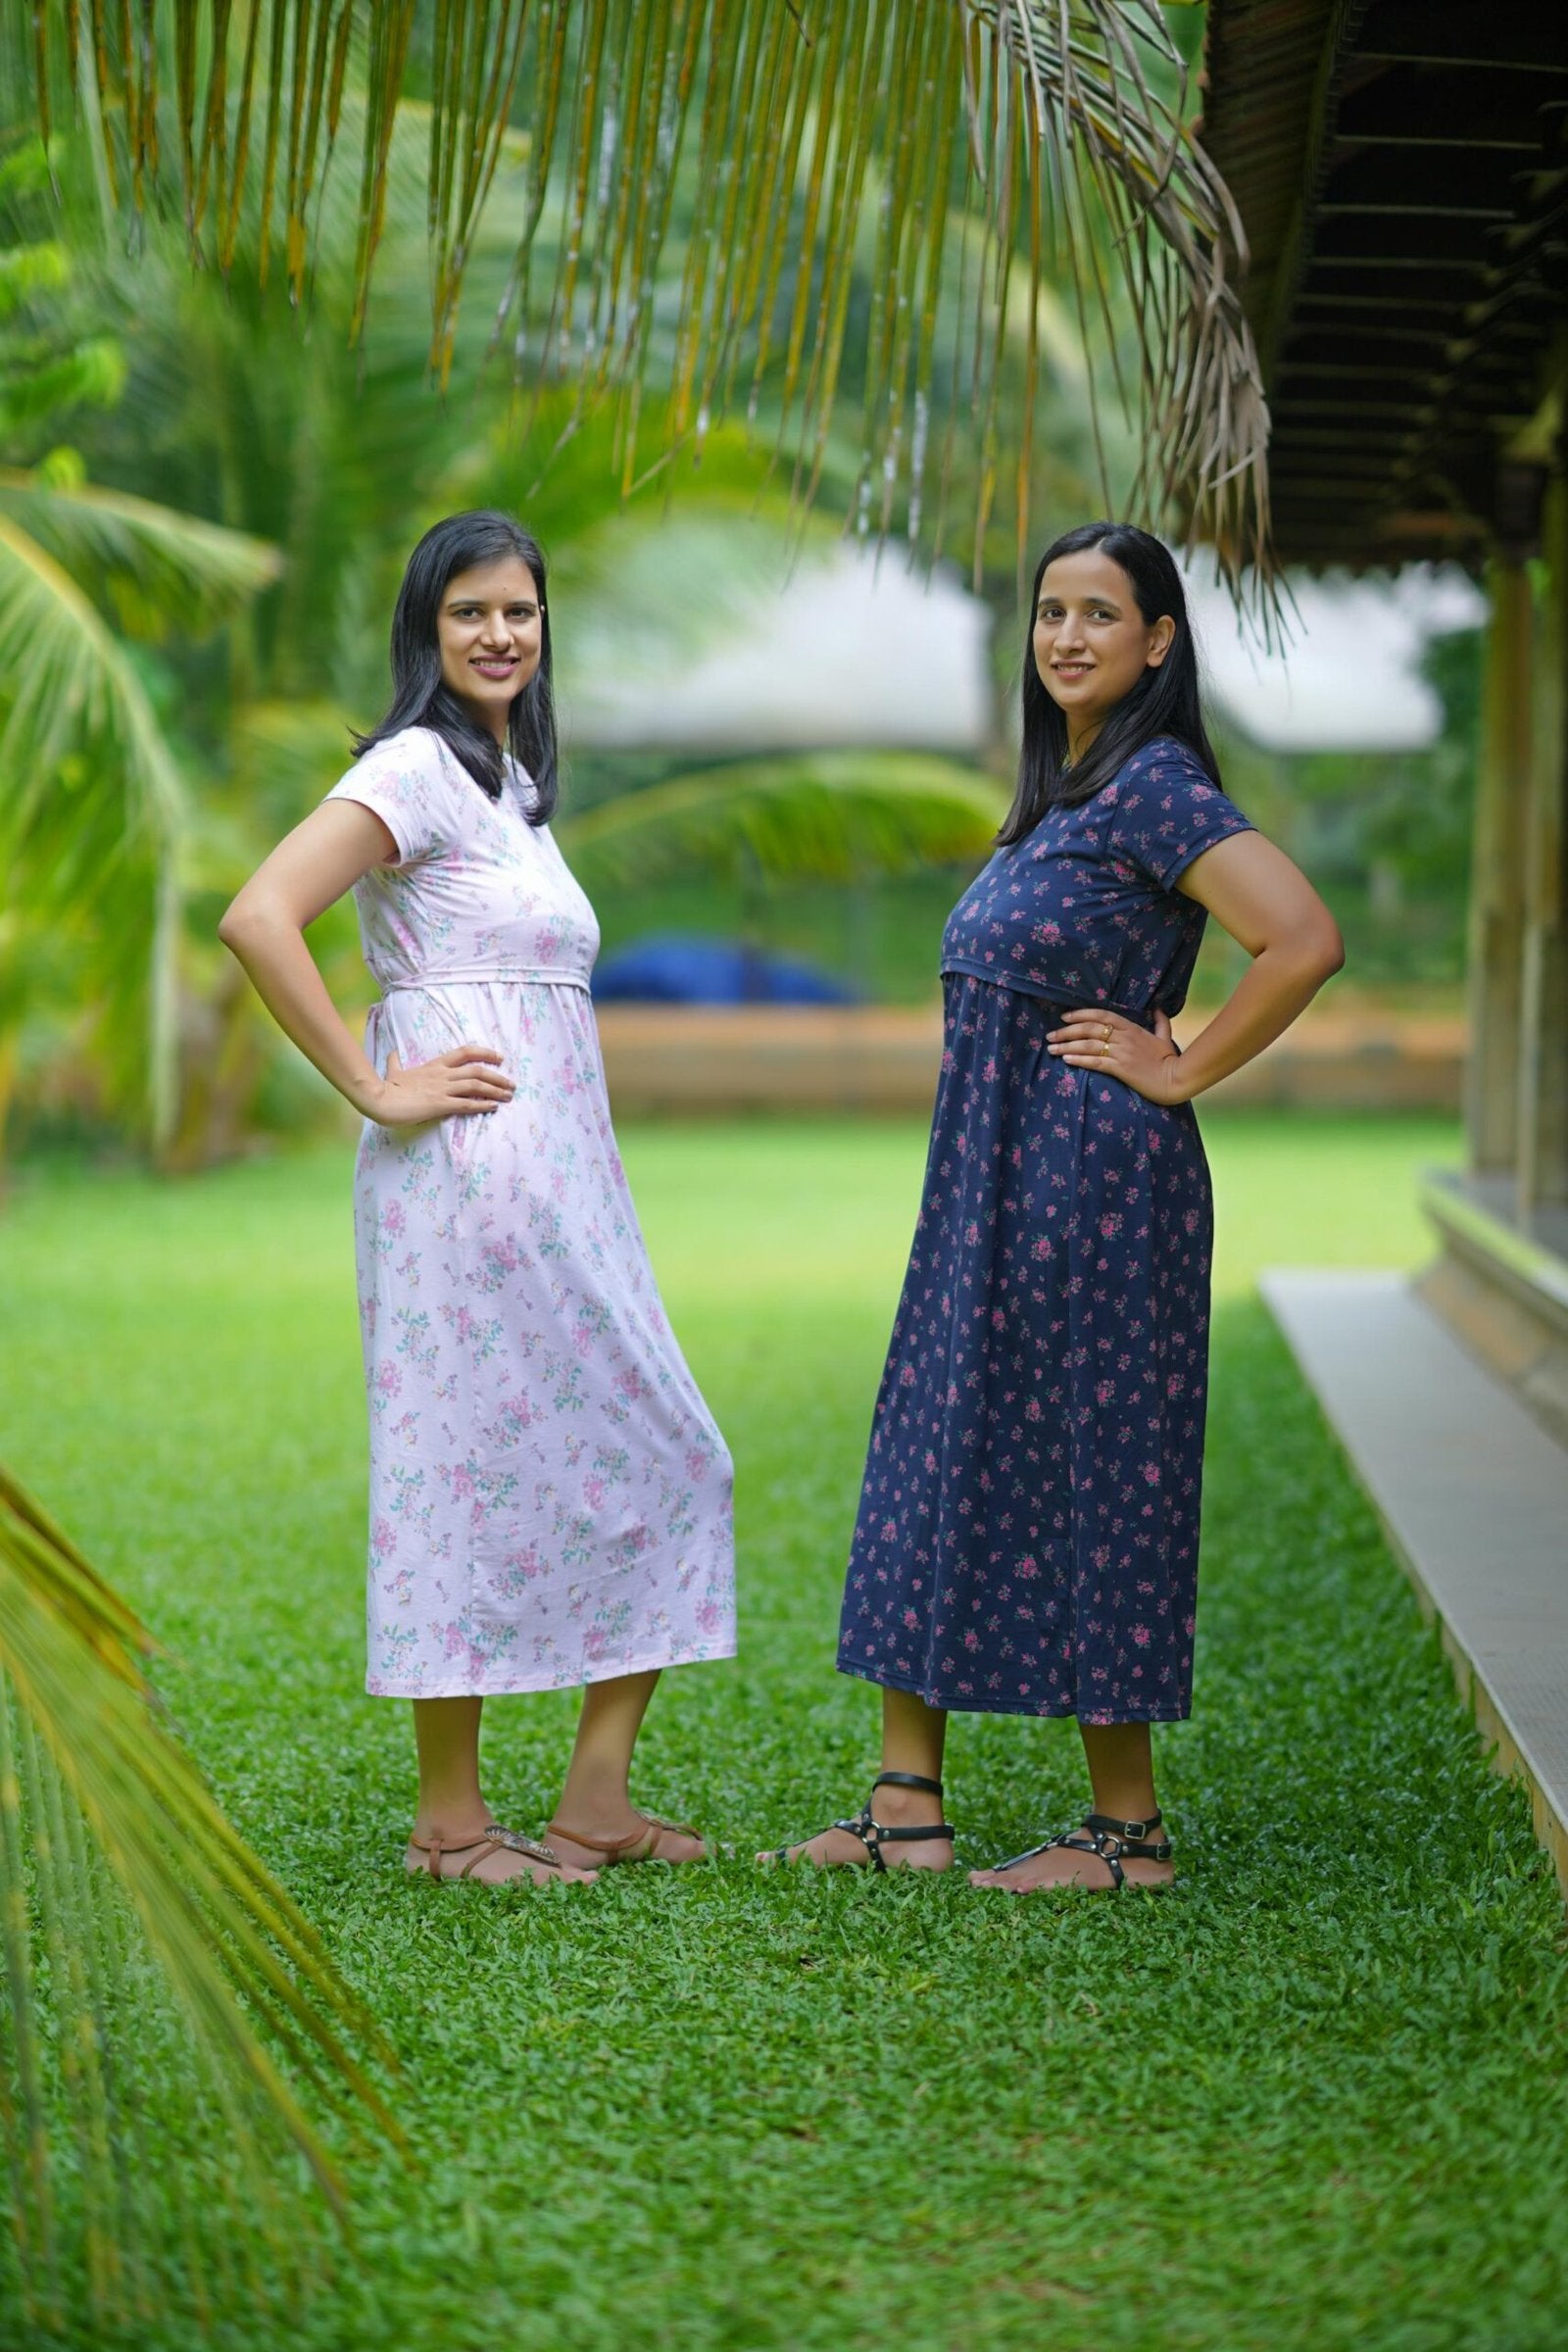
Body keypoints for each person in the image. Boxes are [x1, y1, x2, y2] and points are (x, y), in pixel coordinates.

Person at [762, 520, 1343, 1892]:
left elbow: (1303, 938)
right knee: (938, 1442)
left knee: (1098, 1466)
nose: (1068, 636)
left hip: (1092, 1185)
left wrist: (1179, 1066)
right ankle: (906, 1804)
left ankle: (1127, 1833)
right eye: (1051, 612)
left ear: (1159, 640)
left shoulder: (1155, 788)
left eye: (1100, 613)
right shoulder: (1063, 799)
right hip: (986, 1183)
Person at [220, 511, 735, 1887]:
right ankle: (448, 1824)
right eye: (470, 613)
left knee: (678, 1454)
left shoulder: (509, 786)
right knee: (454, 1462)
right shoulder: (411, 768)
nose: (500, 634)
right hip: (466, 1177)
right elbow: (260, 916)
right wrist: (373, 1086)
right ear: (427, 630)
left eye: (519, 610)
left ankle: (595, 1805)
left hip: (569, 1184)